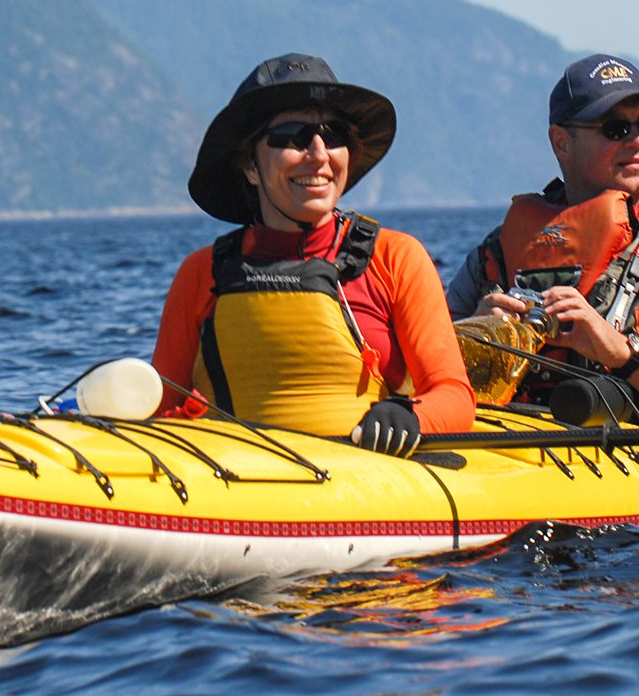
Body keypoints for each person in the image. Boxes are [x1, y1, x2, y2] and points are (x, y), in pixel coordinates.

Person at [150, 54, 476, 456]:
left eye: (334, 134)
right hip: (231, 486)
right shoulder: (202, 272)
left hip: (367, 485)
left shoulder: (396, 258)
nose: (319, 154)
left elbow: (455, 396)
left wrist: (411, 417)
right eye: (292, 136)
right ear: (250, 166)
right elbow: (160, 411)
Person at [446, 54, 639, 424]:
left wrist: (624, 355)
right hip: (510, 450)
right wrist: (472, 335)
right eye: (615, 129)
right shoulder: (495, 253)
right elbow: (413, 372)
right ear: (561, 143)